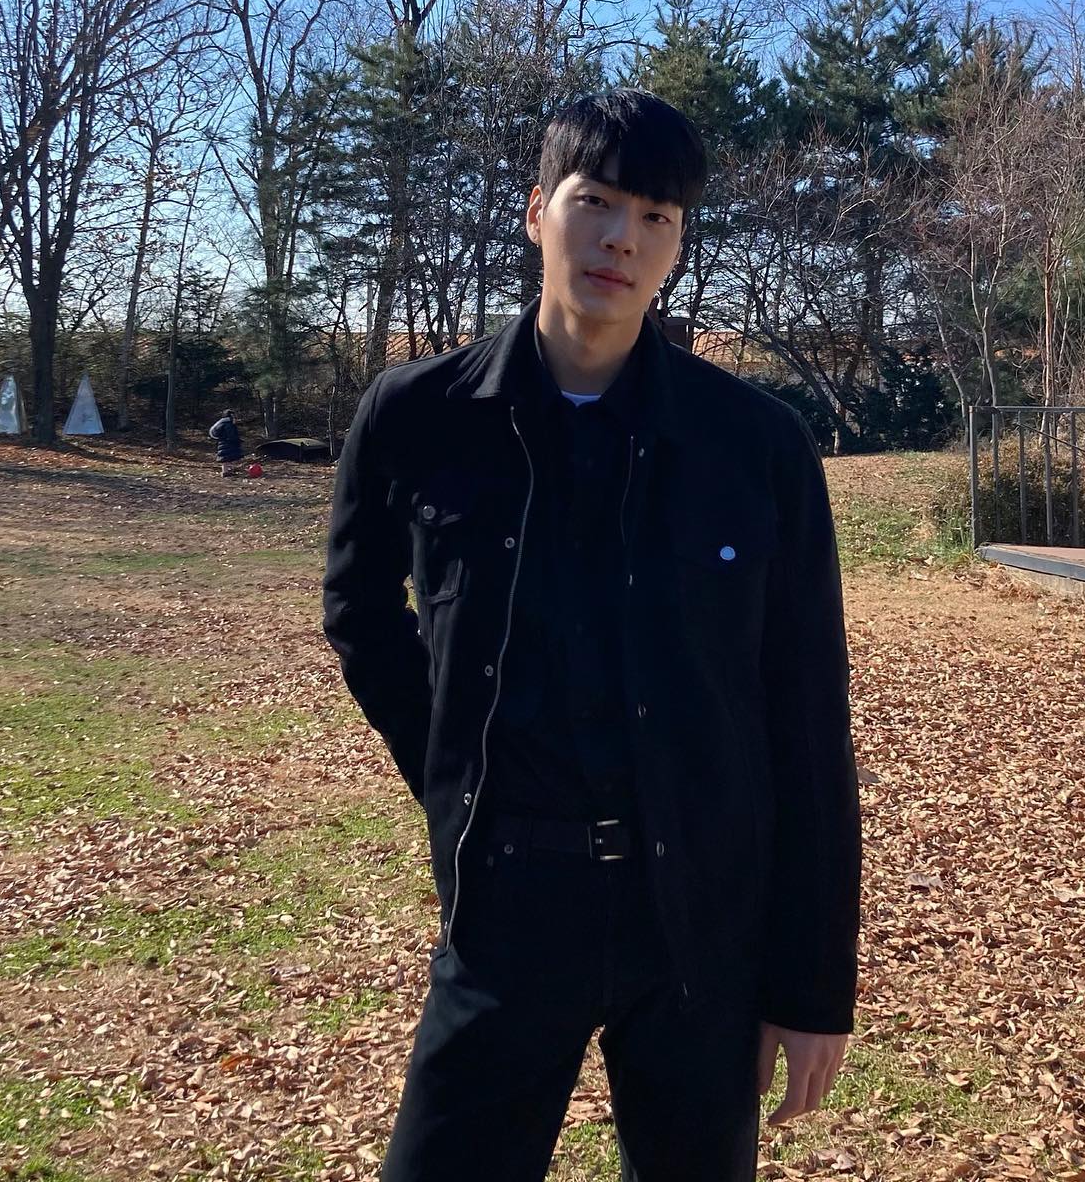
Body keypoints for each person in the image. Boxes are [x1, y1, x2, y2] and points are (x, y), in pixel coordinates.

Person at [322, 90, 860, 1182]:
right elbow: (359, 614)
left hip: (699, 919)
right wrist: (450, 767)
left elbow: (806, 716)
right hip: (507, 905)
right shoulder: (416, 415)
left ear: (677, 244)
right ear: (538, 213)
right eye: (598, 202)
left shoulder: (756, 447)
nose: (623, 238)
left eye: (657, 217)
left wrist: (813, 987)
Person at [208, 409, 243, 477]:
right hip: (228, 443)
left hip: (224, 442)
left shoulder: (224, 423)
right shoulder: (229, 424)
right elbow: (231, 435)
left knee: (227, 457)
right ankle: (225, 472)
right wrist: (237, 440)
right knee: (226, 458)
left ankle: (227, 471)